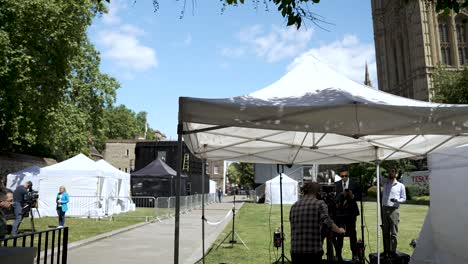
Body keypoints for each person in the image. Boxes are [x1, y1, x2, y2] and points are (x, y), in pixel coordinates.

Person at [290, 182, 345, 264]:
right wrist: (339, 230)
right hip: (313, 252)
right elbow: (327, 221)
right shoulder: (320, 204)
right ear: (318, 192)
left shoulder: (294, 205)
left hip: (295, 251)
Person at [334, 167, 360, 261]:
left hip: (351, 213)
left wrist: (352, 195)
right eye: (342, 176)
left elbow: (359, 196)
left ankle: (355, 255)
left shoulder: (354, 184)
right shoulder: (336, 185)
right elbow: (334, 199)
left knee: (352, 234)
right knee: (339, 234)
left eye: (346, 176)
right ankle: (338, 255)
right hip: (340, 214)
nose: (344, 177)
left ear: (348, 174)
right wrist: (341, 195)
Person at [382, 167, 406, 256]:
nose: (390, 173)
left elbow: (404, 198)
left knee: (394, 232)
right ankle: (386, 251)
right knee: (385, 231)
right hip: (384, 209)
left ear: (396, 174)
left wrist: (397, 200)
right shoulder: (385, 184)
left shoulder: (401, 186)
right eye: (389, 171)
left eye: (392, 171)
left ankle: (393, 251)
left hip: (394, 210)